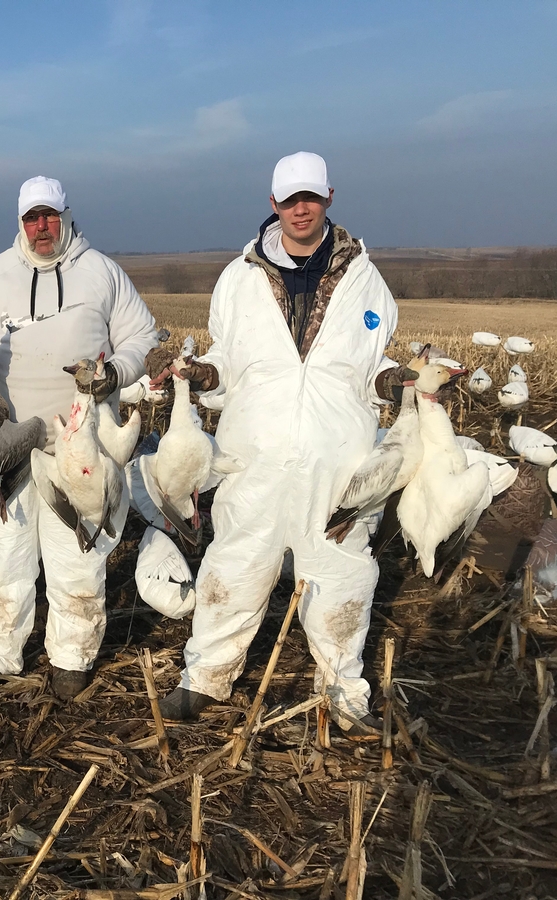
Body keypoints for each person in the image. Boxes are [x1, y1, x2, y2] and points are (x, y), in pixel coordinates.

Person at [152, 152, 405, 734]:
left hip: (336, 461)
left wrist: (401, 380)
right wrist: (199, 374)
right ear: (273, 205)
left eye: (310, 198)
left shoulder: (365, 279)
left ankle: (344, 694)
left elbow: (370, 369)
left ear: (329, 198)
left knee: (341, 576)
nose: (300, 208)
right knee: (234, 566)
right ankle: (206, 679)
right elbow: (226, 362)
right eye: (290, 199)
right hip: (256, 458)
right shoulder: (239, 278)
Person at [0, 176, 157, 701]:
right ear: (20, 222)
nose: (42, 227)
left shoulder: (100, 271)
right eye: (32, 218)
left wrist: (116, 374)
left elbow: (142, 336)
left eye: (50, 216)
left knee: (76, 554)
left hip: (77, 444)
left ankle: (72, 655)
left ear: (65, 216)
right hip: (8, 443)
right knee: (3, 553)